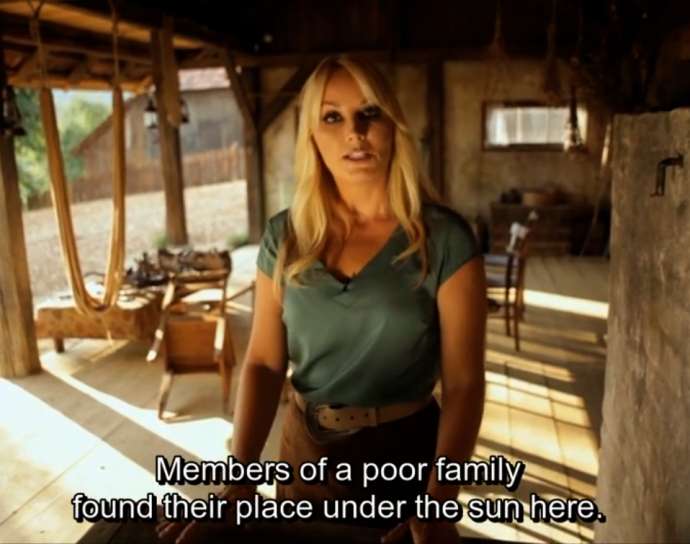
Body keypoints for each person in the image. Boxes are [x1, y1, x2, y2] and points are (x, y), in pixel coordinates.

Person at [157, 54, 486, 544]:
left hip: (406, 461)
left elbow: (464, 384)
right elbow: (264, 364)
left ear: (392, 125)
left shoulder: (444, 239)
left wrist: (439, 501)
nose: (354, 131)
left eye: (369, 112)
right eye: (332, 117)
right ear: (312, 135)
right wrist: (238, 481)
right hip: (305, 457)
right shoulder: (284, 237)